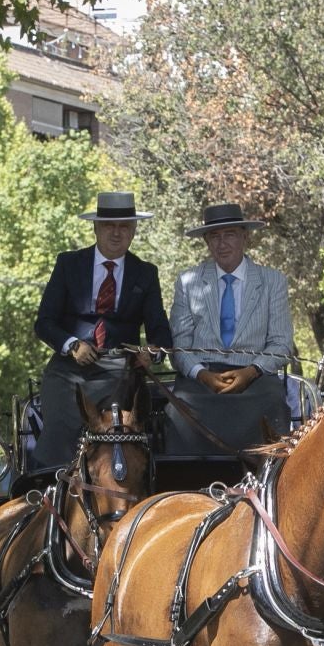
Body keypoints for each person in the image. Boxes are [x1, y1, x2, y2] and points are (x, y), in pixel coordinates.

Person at [31, 191, 172, 472]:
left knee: (114, 431)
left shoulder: (145, 273)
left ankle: (112, 488)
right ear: (96, 228)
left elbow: (161, 333)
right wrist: (72, 345)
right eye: (109, 226)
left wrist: (151, 354)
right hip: (68, 368)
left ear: (133, 231)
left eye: (124, 227)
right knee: (59, 428)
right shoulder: (68, 264)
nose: (116, 233)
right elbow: (44, 322)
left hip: (119, 370)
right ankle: (48, 490)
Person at [166, 201, 293, 454]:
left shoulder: (272, 281)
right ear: (206, 242)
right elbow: (179, 346)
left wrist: (251, 371)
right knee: (176, 408)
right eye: (214, 236)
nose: (222, 244)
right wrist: (202, 374)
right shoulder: (188, 282)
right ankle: (186, 481)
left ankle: (268, 479)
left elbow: (281, 345)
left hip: (256, 375)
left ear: (244, 237)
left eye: (230, 235)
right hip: (201, 376)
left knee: (274, 401)